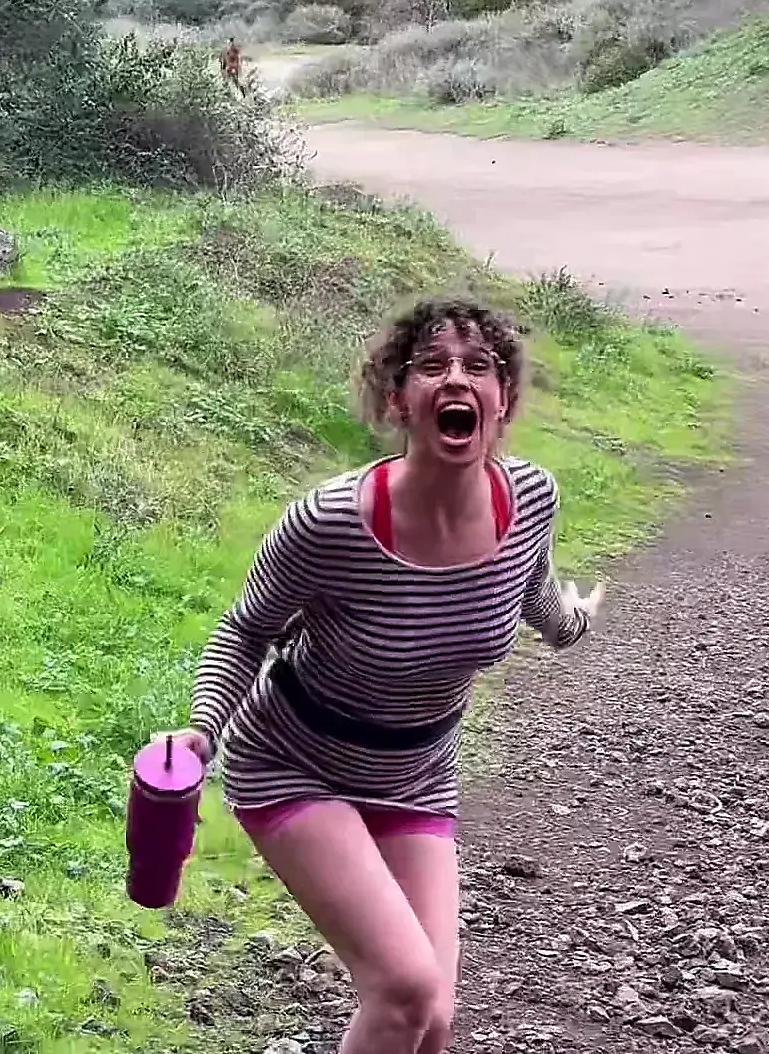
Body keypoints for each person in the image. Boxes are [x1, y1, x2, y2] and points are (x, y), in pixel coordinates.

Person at [163, 298, 604, 1054]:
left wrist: (572, 624)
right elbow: (246, 629)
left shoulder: (530, 498)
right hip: (295, 764)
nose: (456, 378)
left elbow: (530, 586)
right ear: (398, 399)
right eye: (431, 366)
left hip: (416, 772)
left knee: (432, 1022)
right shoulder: (331, 522)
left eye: (478, 366)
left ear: (503, 399)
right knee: (404, 989)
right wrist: (204, 731)